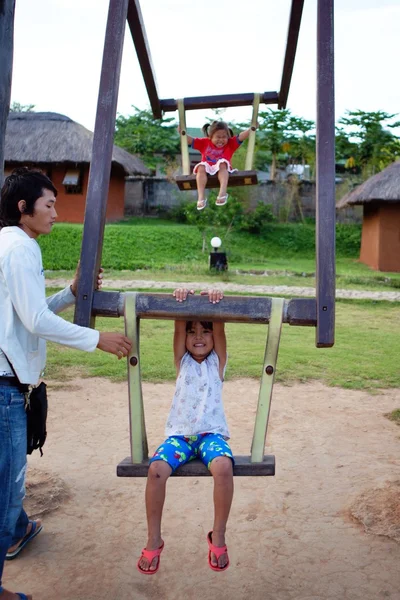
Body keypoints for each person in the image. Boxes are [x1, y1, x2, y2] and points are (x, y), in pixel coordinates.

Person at [0, 167, 132, 600]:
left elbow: (29, 312)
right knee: (7, 488)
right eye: (49, 205)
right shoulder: (21, 248)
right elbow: (36, 321)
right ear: (24, 209)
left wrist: (72, 293)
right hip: (4, 388)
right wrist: (98, 339)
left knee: (7, 478)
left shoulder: (14, 243)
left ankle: (19, 529)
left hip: (7, 382)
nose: (56, 213)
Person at [137, 287, 234, 575]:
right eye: (193, 332)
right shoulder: (183, 364)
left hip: (210, 436)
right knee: (155, 470)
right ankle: (154, 539)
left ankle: (218, 535)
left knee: (224, 468)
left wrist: (214, 297)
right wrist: (182, 298)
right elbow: (178, 329)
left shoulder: (218, 364)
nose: (199, 337)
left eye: (206, 331)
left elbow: (220, 325)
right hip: (180, 436)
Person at [179, 120, 255, 210]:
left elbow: (241, 136)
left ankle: (222, 193)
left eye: (224, 137)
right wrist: (182, 133)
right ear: (210, 137)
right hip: (207, 169)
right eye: (218, 137)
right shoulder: (205, 142)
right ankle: (201, 197)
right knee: (201, 166)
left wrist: (252, 128)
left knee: (222, 163)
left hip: (223, 170)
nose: (221, 140)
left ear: (228, 137)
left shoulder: (230, 144)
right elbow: (190, 140)